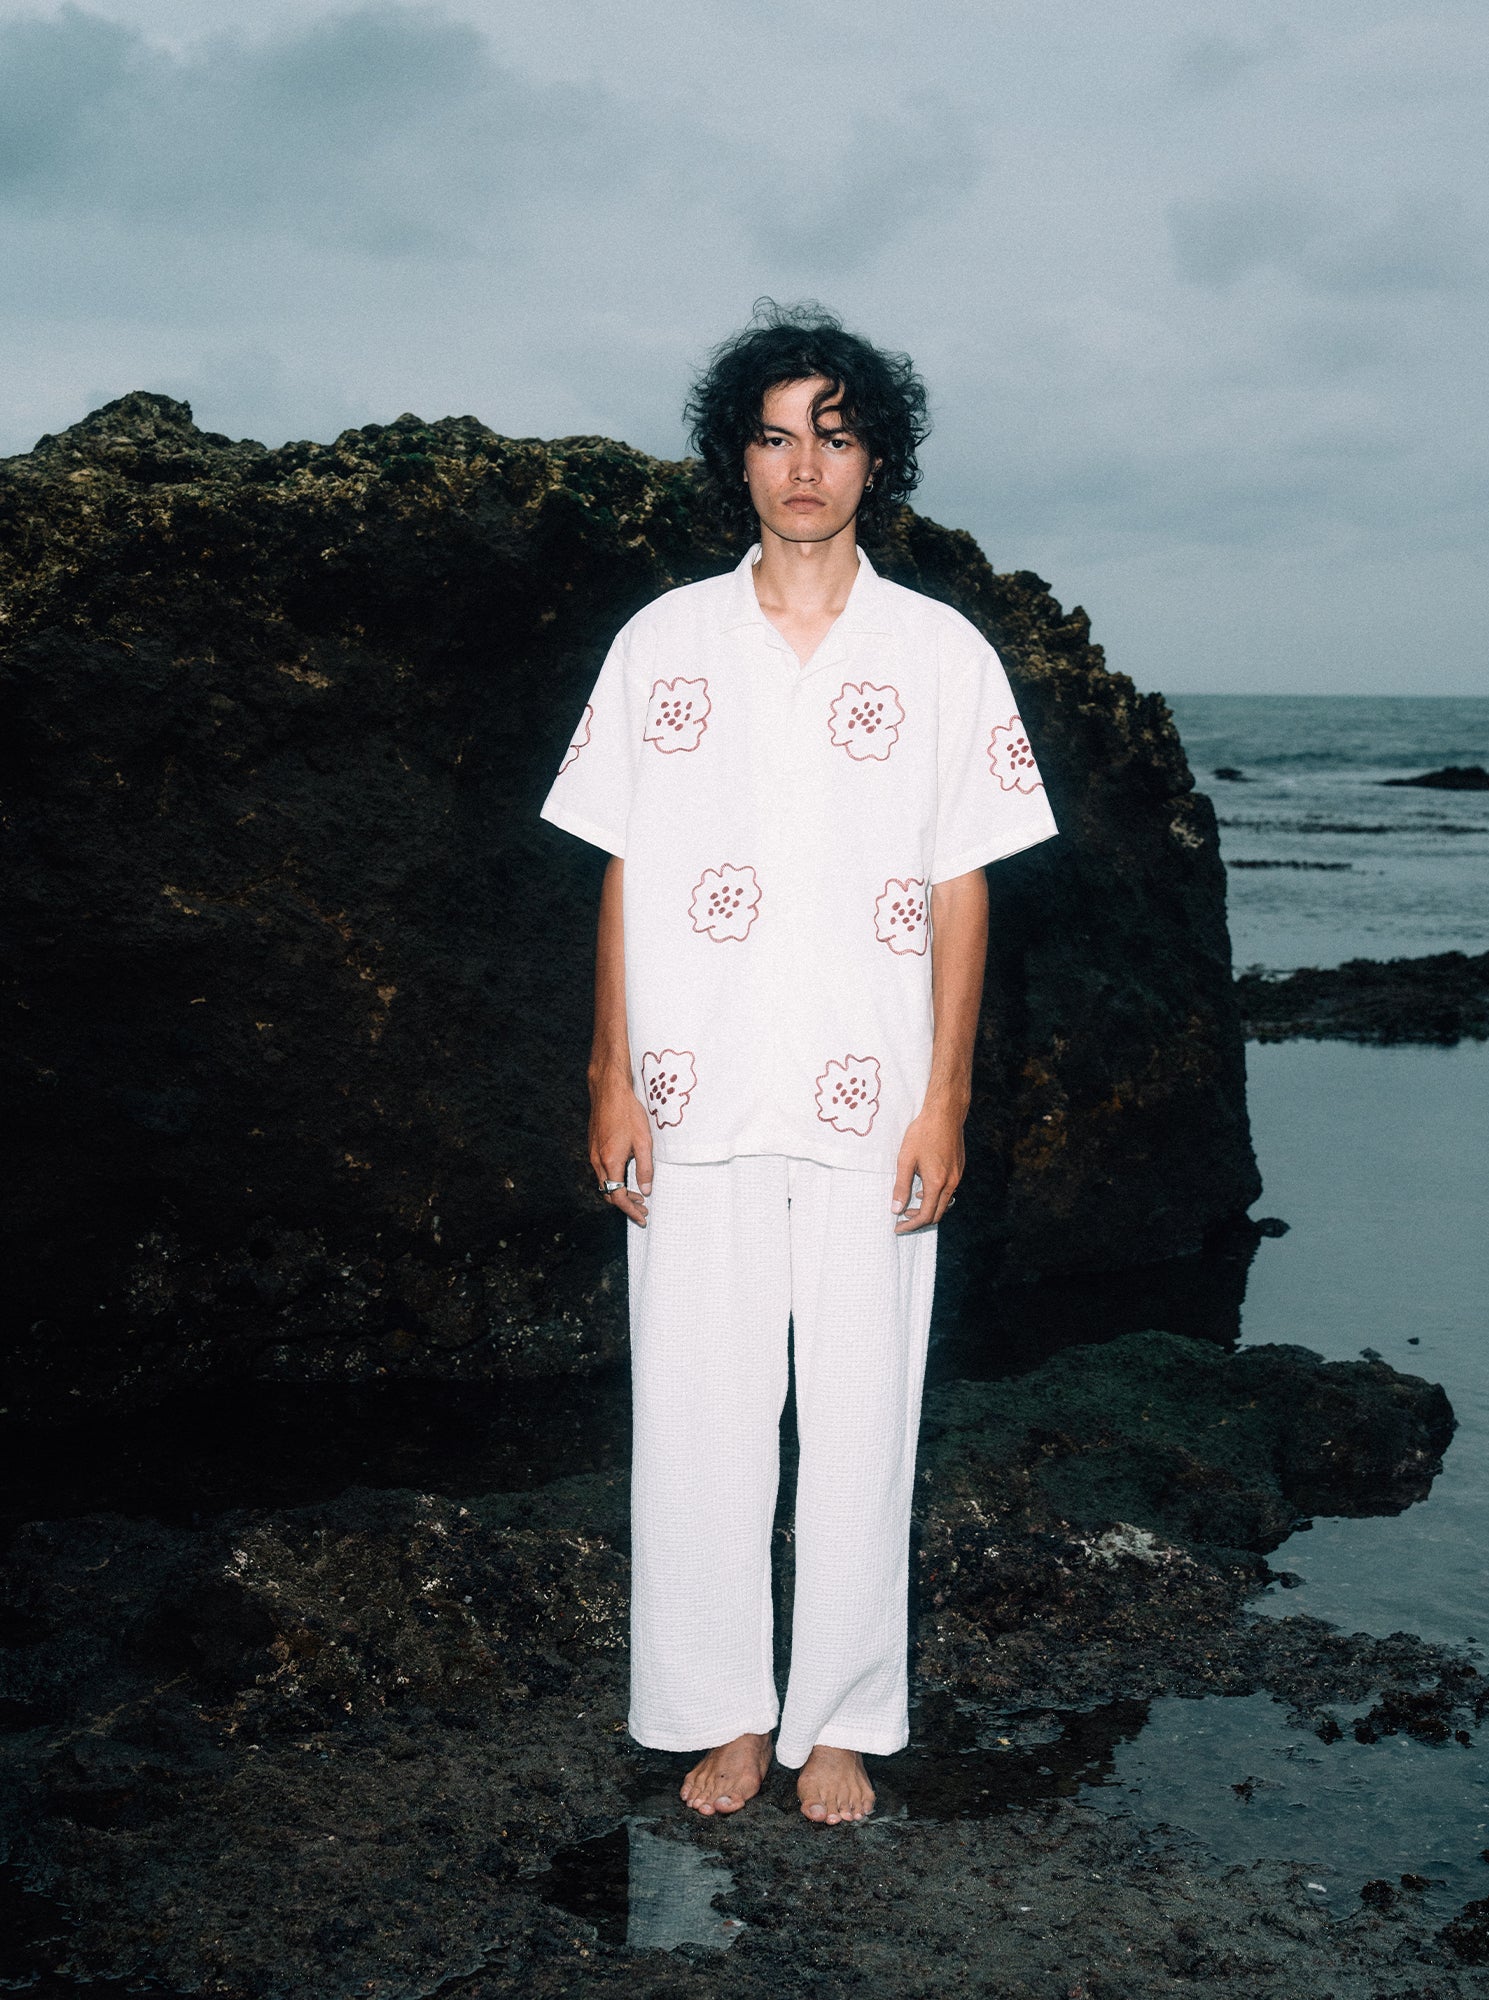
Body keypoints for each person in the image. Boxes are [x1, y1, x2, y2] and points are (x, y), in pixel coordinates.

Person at [539, 302, 1057, 1826]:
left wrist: (948, 1097)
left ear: (876, 458)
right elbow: (622, 863)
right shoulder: (664, 644)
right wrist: (607, 1075)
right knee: (696, 1416)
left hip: (874, 1094)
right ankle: (717, 1712)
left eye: (833, 433)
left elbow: (965, 884)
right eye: (775, 434)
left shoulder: (942, 652)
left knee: (862, 1415)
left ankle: (835, 1720)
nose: (804, 464)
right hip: (692, 1091)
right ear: (737, 461)